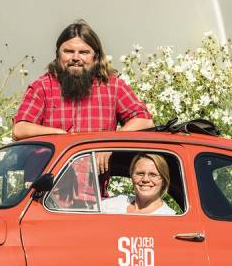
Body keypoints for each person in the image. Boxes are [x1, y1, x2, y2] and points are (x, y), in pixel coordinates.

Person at [12, 20, 154, 177]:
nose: (75, 57)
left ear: (96, 57)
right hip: (45, 187)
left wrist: (110, 143)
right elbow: (20, 129)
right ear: (58, 55)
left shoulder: (114, 87)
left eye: (84, 52)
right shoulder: (42, 87)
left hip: (94, 189)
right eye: (68, 51)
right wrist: (61, 136)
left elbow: (144, 121)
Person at [101, 153, 176, 215]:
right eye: (140, 174)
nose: (145, 179)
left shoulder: (169, 217)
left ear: (164, 180)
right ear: (131, 176)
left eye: (153, 175)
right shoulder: (116, 202)